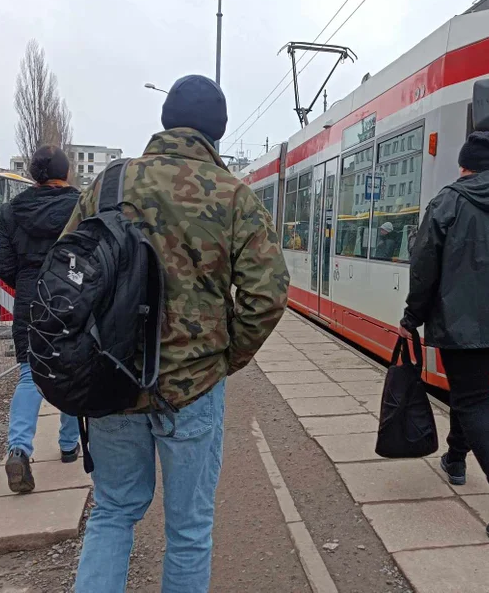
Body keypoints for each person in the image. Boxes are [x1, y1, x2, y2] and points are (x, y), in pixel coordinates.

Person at [70, 74, 290, 593]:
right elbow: (268, 296)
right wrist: (223, 359)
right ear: (218, 132)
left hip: (111, 382)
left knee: (113, 512)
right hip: (190, 392)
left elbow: (69, 277)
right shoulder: (233, 195)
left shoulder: (109, 185)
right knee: (188, 530)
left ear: (166, 120)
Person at [400, 132, 489, 542]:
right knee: (472, 391)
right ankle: (456, 459)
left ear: (463, 166)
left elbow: (423, 264)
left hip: (457, 320)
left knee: (472, 399)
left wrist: (412, 316)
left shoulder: (448, 202)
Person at [0, 145, 81, 493]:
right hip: (71, 298)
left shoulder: (11, 211)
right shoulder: (79, 206)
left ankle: (19, 449)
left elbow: (1, 264)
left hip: (30, 301)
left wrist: (27, 285)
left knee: (30, 374)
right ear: (66, 173)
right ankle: (69, 445)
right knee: (71, 371)